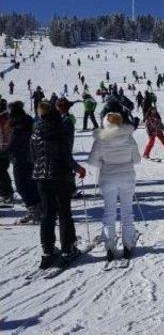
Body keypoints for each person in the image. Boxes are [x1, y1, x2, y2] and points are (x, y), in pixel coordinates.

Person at [31, 101, 86, 269]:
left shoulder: (36, 130)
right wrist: (78, 168)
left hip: (41, 177)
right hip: (60, 176)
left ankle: (48, 251)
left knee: (47, 214)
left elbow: (33, 154)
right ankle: (67, 249)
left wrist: (38, 169)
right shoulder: (60, 128)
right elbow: (65, 154)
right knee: (64, 213)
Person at [88, 112, 141, 261]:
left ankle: (110, 246)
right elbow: (137, 159)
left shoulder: (101, 139)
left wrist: (104, 164)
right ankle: (128, 243)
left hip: (108, 178)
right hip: (127, 177)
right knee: (127, 211)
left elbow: (92, 160)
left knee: (109, 212)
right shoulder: (129, 137)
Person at [7, 101, 41, 224]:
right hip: (29, 158)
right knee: (30, 184)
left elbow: (17, 143)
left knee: (21, 185)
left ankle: (34, 209)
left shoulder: (21, 125)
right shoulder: (27, 121)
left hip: (23, 159)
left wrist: (8, 150)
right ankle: (38, 209)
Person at [0, 99, 15, 206]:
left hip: (3, 149)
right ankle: (4, 193)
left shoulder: (4, 118)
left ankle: (7, 193)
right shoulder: (6, 117)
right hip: (5, 148)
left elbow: (4, 134)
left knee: (1, 171)